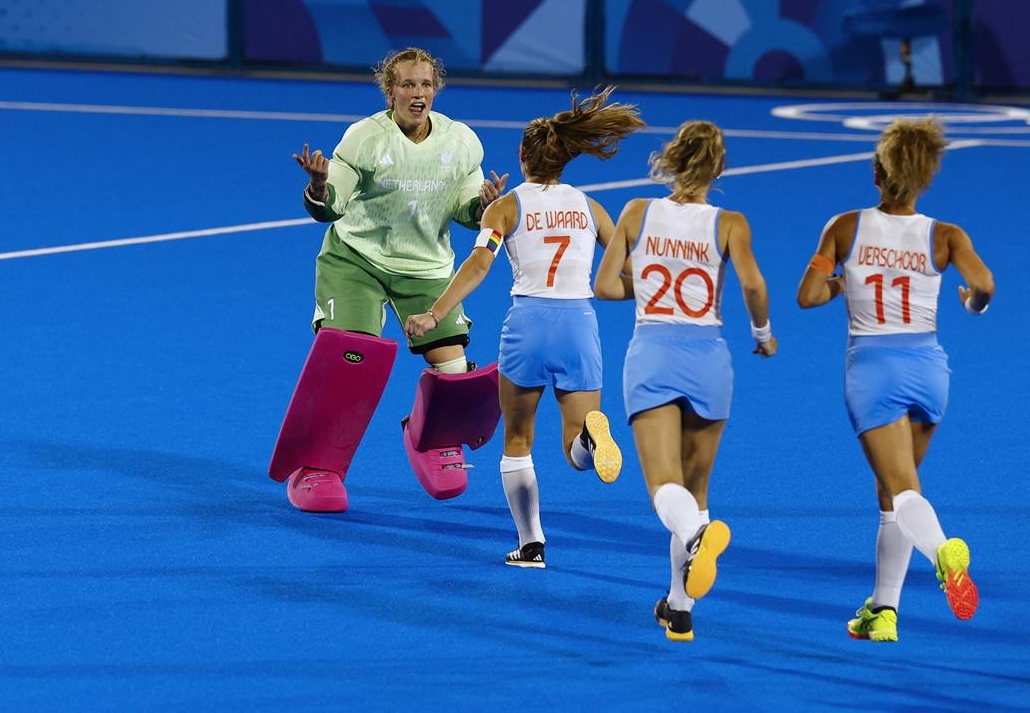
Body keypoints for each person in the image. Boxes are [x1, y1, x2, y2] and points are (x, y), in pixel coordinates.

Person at [405, 87, 644, 568]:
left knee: (518, 441)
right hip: (579, 325)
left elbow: (477, 265)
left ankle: (531, 543)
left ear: (522, 156)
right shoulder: (591, 208)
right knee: (572, 443)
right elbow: (628, 268)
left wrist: (435, 313)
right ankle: (589, 440)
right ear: (567, 159)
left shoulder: (505, 208)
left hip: (528, 326)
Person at [796, 116, 992, 642]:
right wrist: (970, 304)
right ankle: (883, 611)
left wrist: (840, 284)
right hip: (930, 372)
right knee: (894, 491)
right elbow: (984, 286)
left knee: (901, 489)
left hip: (874, 373)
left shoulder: (844, 227)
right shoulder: (946, 235)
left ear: (876, 175)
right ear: (924, 178)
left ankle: (944, 552)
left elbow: (808, 295)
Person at [283, 46, 502, 510]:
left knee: (454, 368)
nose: (417, 93)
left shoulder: (462, 143)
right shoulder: (364, 138)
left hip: (425, 267)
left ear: (436, 89)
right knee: (350, 359)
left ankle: (430, 439)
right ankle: (318, 467)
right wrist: (320, 187)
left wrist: (482, 206)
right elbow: (333, 205)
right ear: (390, 91)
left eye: (425, 84)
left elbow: (466, 210)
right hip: (357, 259)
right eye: (407, 84)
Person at [594, 120, 777, 642]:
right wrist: (763, 334)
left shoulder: (636, 212)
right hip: (709, 359)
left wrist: (649, 285)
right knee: (695, 491)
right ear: (719, 168)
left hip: (653, 354)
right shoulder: (730, 223)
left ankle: (699, 537)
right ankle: (678, 608)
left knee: (664, 490)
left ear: (670, 159)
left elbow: (606, 287)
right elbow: (754, 285)